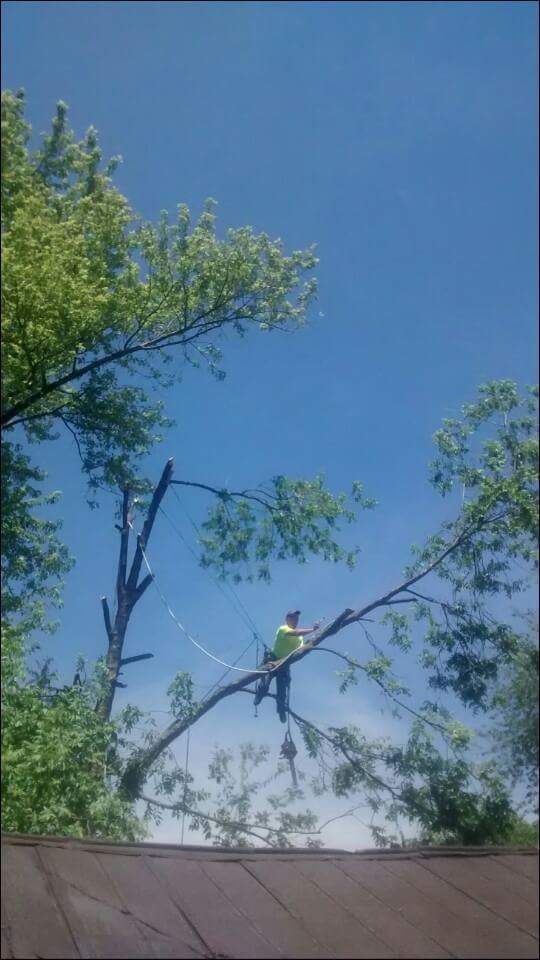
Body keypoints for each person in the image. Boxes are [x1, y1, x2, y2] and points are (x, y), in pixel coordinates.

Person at [253, 609, 320, 721]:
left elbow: (301, 648)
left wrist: (312, 639)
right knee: (265, 683)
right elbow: (295, 633)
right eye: (293, 617)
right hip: (273, 660)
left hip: (284, 664)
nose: (296, 620)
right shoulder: (283, 629)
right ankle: (260, 695)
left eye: (297, 618)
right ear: (287, 619)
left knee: (282, 690)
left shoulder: (300, 638)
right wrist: (313, 629)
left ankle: (281, 710)